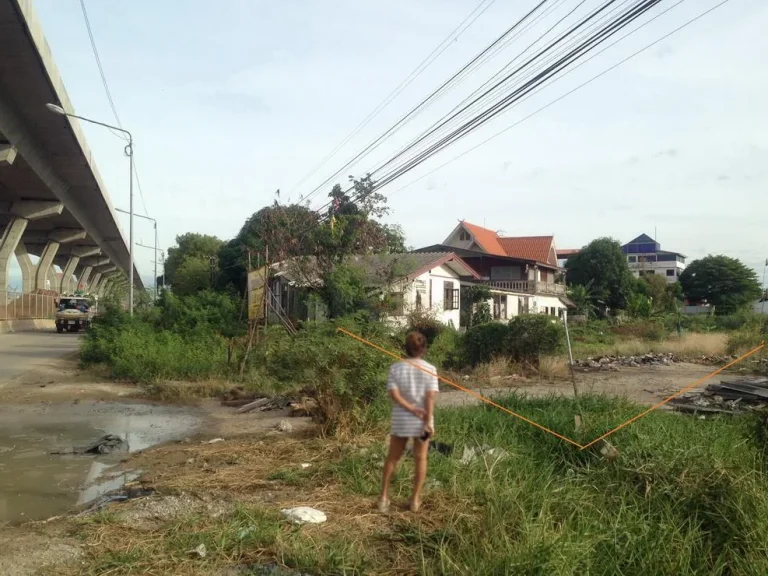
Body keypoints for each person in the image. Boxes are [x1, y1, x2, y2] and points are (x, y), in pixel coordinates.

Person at [378, 331, 438, 513]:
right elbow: (430, 398)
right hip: (422, 422)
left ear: (406, 348)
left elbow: (394, 395)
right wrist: (427, 421)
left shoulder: (396, 368)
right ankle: (415, 500)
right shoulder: (430, 369)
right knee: (420, 459)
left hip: (401, 420)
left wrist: (410, 408)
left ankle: (383, 498)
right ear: (424, 349)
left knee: (392, 458)